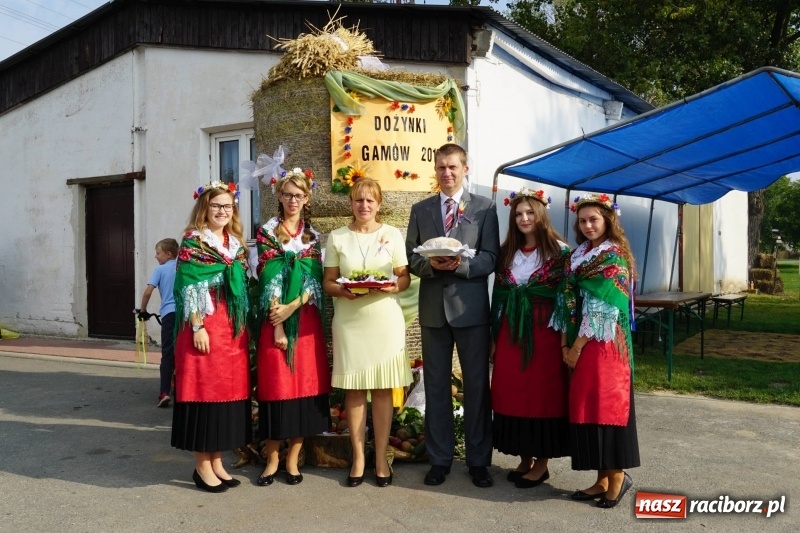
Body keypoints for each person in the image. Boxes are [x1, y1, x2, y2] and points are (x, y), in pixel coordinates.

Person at [405, 143, 500, 488]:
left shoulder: (485, 209)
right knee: (436, 387)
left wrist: (461, 265)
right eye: (441, 167)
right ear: (435, 170)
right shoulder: (421, 209)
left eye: (453, 167)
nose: (447, 173)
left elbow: (491, 258)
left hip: (471, 311)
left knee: (477, 388)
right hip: (433, 312)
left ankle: (478, 461)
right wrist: (430, 265)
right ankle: (440, 459)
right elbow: (411, 259)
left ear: (465, 168)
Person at [551, 193, 640, 509]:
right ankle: (601, 479)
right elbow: (566, 301)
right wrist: (564, 342)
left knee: (605, 407)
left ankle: (617, 477)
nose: (588, 225)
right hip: (580, 341)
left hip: (604, 344)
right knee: (586, 406)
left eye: (594, 219)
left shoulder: (612, 257)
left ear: (608, 221)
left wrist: (575, 346)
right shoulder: (579, 255)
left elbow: (601, 308)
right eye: (583, 220)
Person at [323, 178, 412, 488]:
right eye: (358, 200)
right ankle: (359, 458)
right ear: (351, 203)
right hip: (350, 320)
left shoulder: (392, 234)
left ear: (378, 204)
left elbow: (403, 278)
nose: (364, 206)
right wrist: (342, 291)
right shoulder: (337, 237)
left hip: (385, 318)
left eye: (370, 201)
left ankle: (381, 459)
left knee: (385, 389)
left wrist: (393, 285)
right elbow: (329, 282)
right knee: (355, 390)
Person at [171, 180, 251, 493]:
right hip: (205, 325)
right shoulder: (194, 243)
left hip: (232, 330)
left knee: (225, 395)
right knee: (204, 393)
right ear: (205, 208)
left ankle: (217, 461)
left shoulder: (234, 243)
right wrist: (196, 325)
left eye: (227, 206)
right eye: (216, 205)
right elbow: (190, 286)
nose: (222, 211)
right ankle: (201, 466)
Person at [254, 167, 331, 487]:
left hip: (306, 317)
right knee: (276, 388)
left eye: (299, 195)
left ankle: (292, 459)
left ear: (307, 197)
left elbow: (315, 279)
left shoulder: (312, 234)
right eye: (287, 194)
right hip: (276, 321)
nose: (293, 200)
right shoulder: (268, 232)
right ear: (279, 195)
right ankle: (272, 456)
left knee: (303, 389)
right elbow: (269, 276)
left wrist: (293, 307)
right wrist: (279, 324)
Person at [490, 189, 571, 488]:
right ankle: (524, 458)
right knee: (513, 391)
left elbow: (567, 297)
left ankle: (542, 463)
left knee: (542, 394)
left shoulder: (560, 252)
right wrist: (494, 335)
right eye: (519, 214)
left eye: (529, 213)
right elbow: (499, 295)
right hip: (511, 329)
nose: (524, 218)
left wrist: (565, 337)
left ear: (541, 215)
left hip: (545, 332)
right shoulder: (506, 252)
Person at [138, 238, 179, 408]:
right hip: (186, 315)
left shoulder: (160, 269)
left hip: (169, 314)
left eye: (158, 253)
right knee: (184, 351)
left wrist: (142, 310)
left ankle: (164, 392)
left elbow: (148, 292)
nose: (156, 257)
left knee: (168, 353)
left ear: (168, 254)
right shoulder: (182, 266)